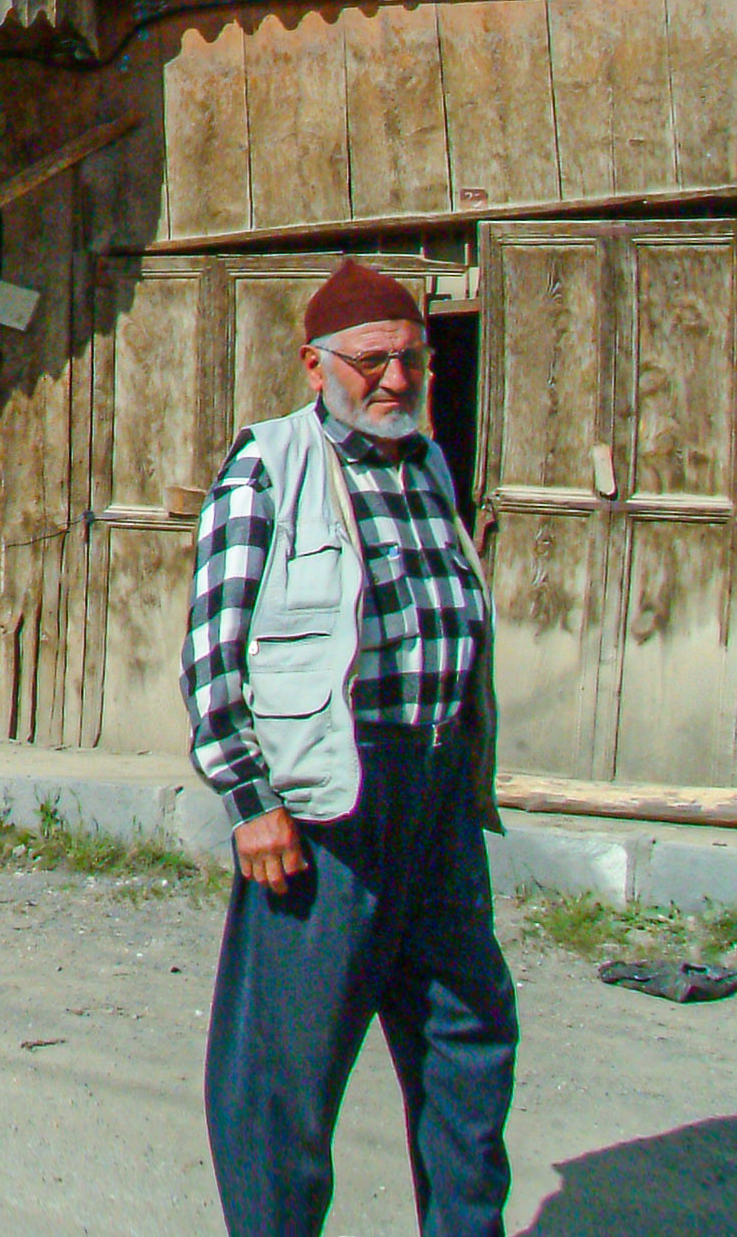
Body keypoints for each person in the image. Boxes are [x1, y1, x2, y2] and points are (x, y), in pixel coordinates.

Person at [184, 259, 513, 1237]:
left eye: (412, 360)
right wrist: (251, 800)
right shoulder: (267, 468)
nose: (396, 382)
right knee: (283, 1073)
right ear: (314, 366)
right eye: (372, 362)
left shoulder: (427, 467)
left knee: (469, 1036)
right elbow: (214, 656)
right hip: (327, 804)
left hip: (437, 793)